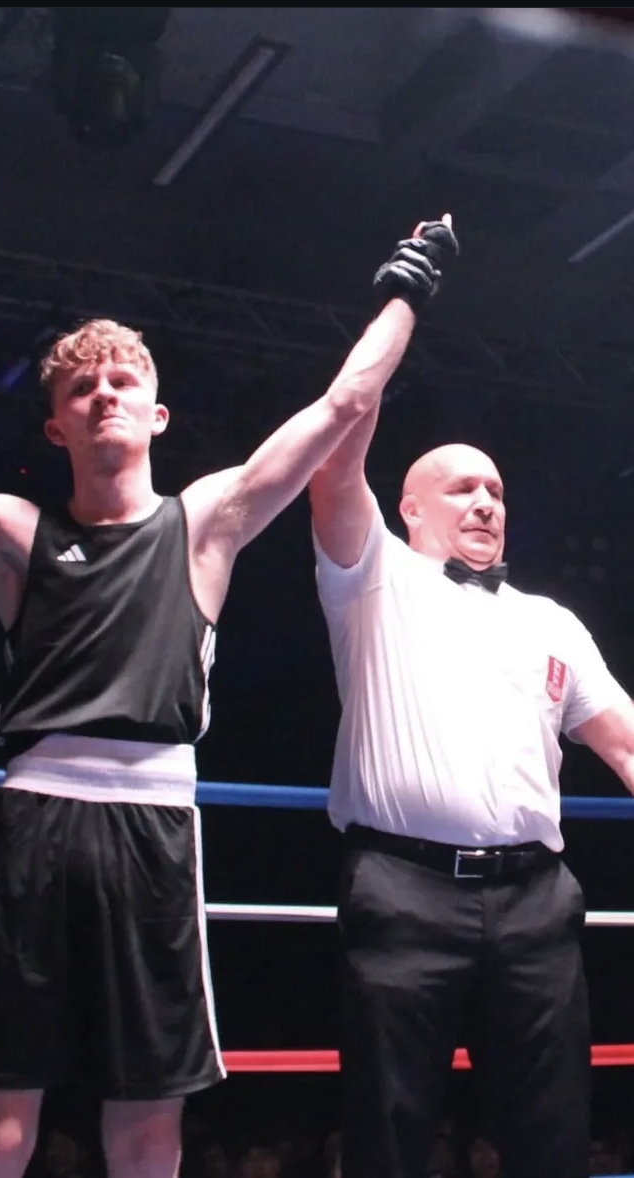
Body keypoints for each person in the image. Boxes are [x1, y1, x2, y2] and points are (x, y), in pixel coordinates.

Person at [0, 216, 451, 1178]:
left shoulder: (207, 521)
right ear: (55, 425)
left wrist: (408, 287)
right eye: (81, 387)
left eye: (121, 381)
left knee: (149, 1118)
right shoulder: (12, 531)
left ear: (157, 415)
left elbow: (344, 402)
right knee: (1, 1112)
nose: (102, 392)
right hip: (34, 820)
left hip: (153, 824)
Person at [309, 239, 634, 1175]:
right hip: (401, 890)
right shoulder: (371, 579)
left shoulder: (549, 621)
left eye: (495, 490)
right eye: (461, 488)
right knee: (389, 1130)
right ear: (410, 508)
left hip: (535, 900)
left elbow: (624, 743)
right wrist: (401, 303)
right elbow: (337, 446)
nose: (486, 502)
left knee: (550, 1133)